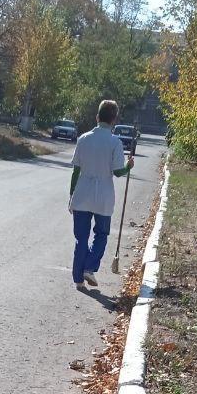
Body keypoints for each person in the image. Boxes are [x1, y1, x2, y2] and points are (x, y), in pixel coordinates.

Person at [68, 99, 135, 290]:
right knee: (101, 234)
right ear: (114, 120)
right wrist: (128, 167)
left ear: (97, 117)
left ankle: (78, 279)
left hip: (82, 193)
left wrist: (71, 195)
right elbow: (117, 172)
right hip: (104, 196)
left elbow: (76, 171)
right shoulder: (115, 142)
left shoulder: (83, 139)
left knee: (81, 238)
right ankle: (89, 267)